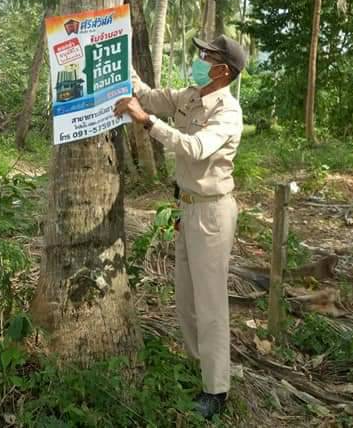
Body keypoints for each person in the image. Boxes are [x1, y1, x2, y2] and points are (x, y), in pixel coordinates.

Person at [113, 34, 245, 420]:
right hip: (188, 208)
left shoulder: (228, 112)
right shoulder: (190, 96)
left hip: (212, 212)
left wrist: (147, 122)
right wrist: (115, 53)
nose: (199, 59)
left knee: (210, 302)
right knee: (185, 296)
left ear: (223, 70)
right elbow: (148, 94)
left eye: (208, 56)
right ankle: (196, 364)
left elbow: (195, 147)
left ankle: (216, 389)